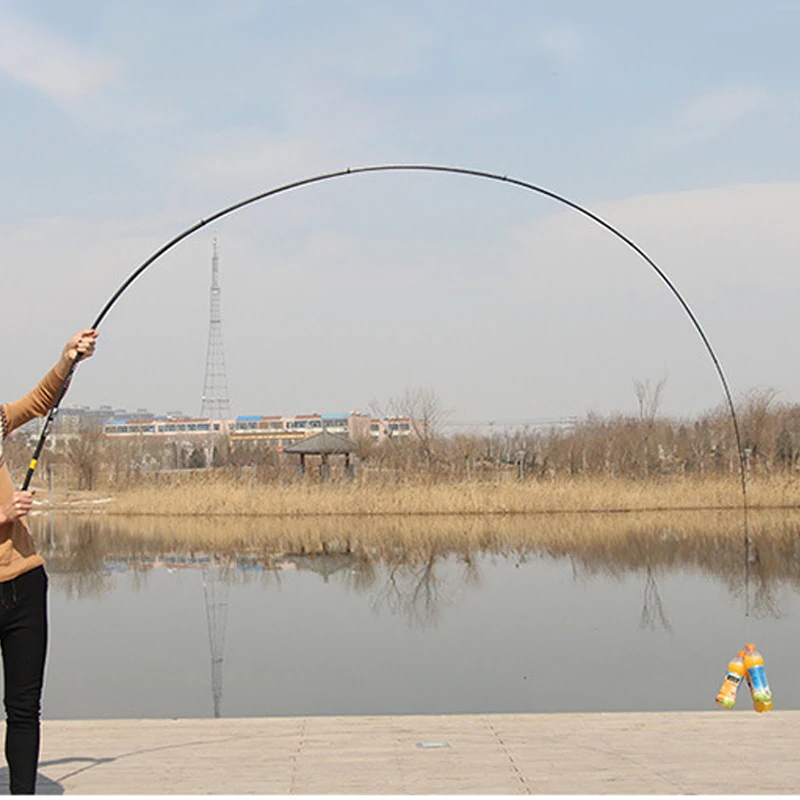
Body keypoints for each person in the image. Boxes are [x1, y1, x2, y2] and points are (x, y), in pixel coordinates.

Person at [0, 329, 98, 794]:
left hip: (24, 580)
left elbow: (41, 399)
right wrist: (1, 513)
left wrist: (67, 360)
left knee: (24, 708)